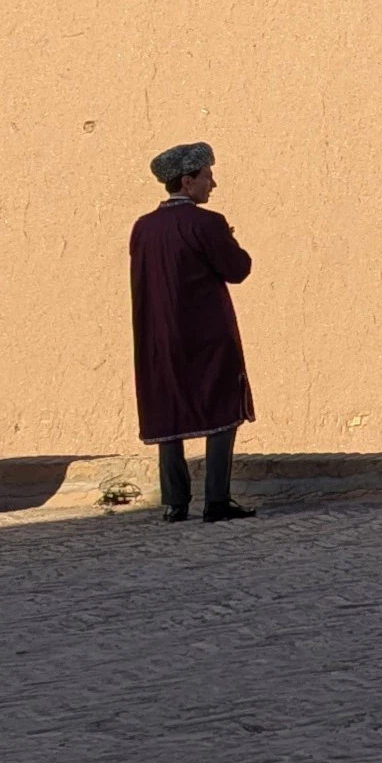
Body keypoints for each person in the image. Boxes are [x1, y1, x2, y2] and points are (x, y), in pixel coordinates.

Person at [130, 139, 257, 522]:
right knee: (220, 407)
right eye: (207, 177)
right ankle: (216, 499)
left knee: (169, 411)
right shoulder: (206, 223)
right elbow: (237, 269)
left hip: (158, 336)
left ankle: (175, 501)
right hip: (206, 334)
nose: (212, 185)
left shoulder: (143, 228)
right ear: (187, 182)